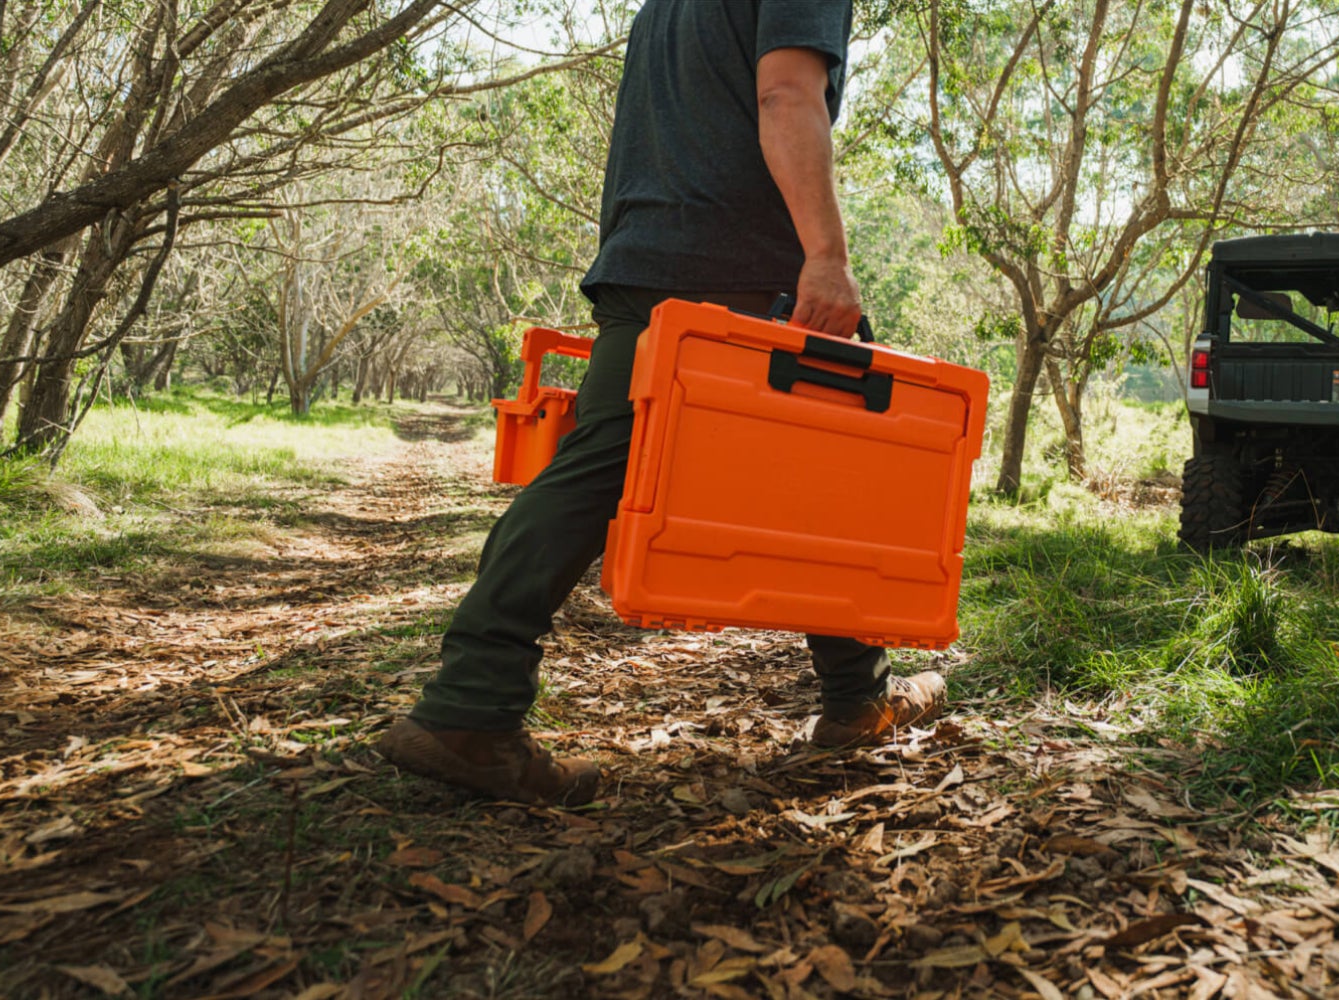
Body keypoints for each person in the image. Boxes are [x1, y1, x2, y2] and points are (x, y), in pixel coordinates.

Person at [376, 0, 945, 806]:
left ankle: (472, 699)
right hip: (742, 263)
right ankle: (855, 698)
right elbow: (787, 94)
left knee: (600, 466)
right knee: (844, 468)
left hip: (647, 258)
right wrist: (825, 256)